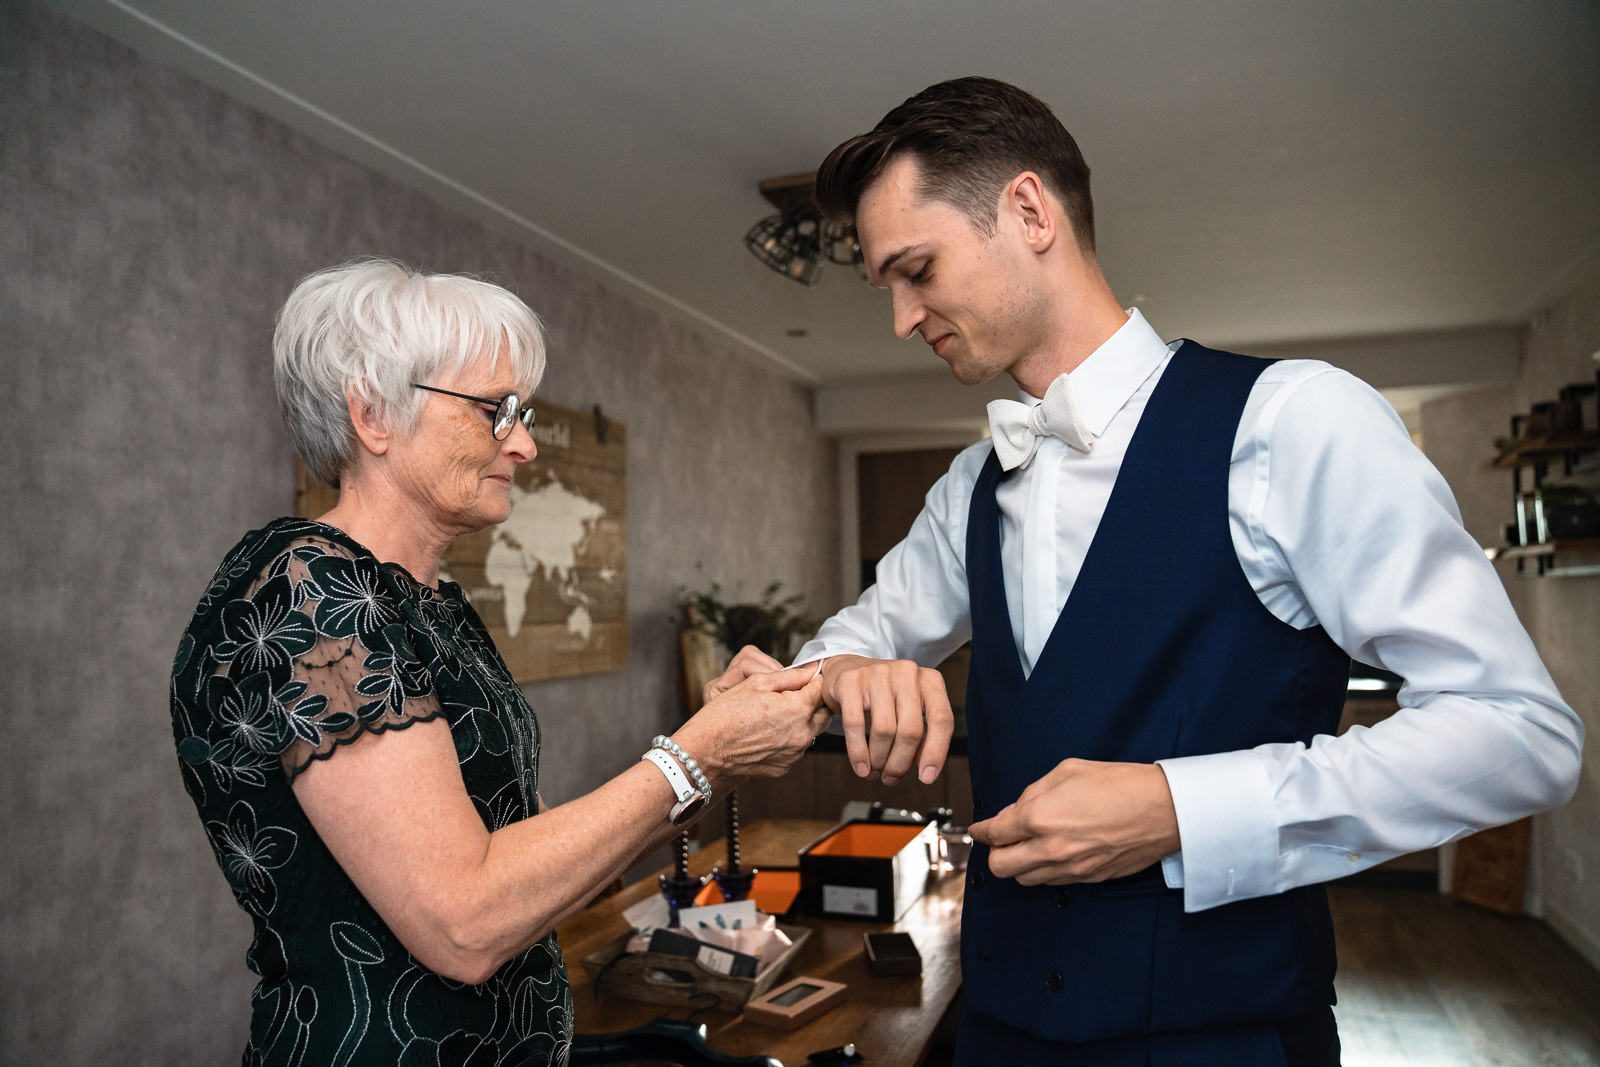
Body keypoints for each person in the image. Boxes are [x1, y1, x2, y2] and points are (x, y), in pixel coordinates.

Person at [712, 78, 1582, 1065]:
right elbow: (851, 639)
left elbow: (1519, 735)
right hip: (993, 1028)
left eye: (916, 270)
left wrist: (1179, 807)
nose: (902, 319)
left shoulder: (1292, 422)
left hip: (1224, 1034)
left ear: (1029, 212)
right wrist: (841, 670)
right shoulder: (968, 487)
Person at [170, 258, 830, 1066]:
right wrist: (696, 755)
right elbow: (466, 923)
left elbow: (535, 859)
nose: (522, 443)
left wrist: (717, 751)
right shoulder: (308, 597)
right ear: (373, 413)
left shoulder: (428, 600)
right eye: (496, 410)